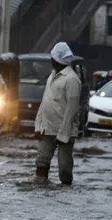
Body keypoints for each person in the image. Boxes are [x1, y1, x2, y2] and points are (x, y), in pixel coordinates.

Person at [33, 42, 81, 186]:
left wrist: (63, 134)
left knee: (65, 168)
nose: (51, 60)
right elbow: (45, 101)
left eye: (52, 58)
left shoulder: (72, 80)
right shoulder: (52, 76)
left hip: (64, 132)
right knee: (41, 162)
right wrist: (38, 124)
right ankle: (41, 188)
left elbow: (71, 110)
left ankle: (64, 193)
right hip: (47, 128)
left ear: (55, 60)